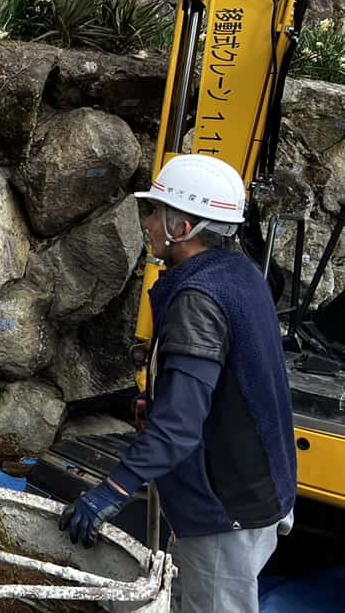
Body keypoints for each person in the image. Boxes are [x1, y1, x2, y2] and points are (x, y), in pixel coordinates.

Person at [58, 154, 297, 613]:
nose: (148, 223)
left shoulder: (198, 299)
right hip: (260, 487)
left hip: (225, 509)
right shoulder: (241, 273)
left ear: (182, 227)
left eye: (155, 212)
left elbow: (179, 427)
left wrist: (110, 493)